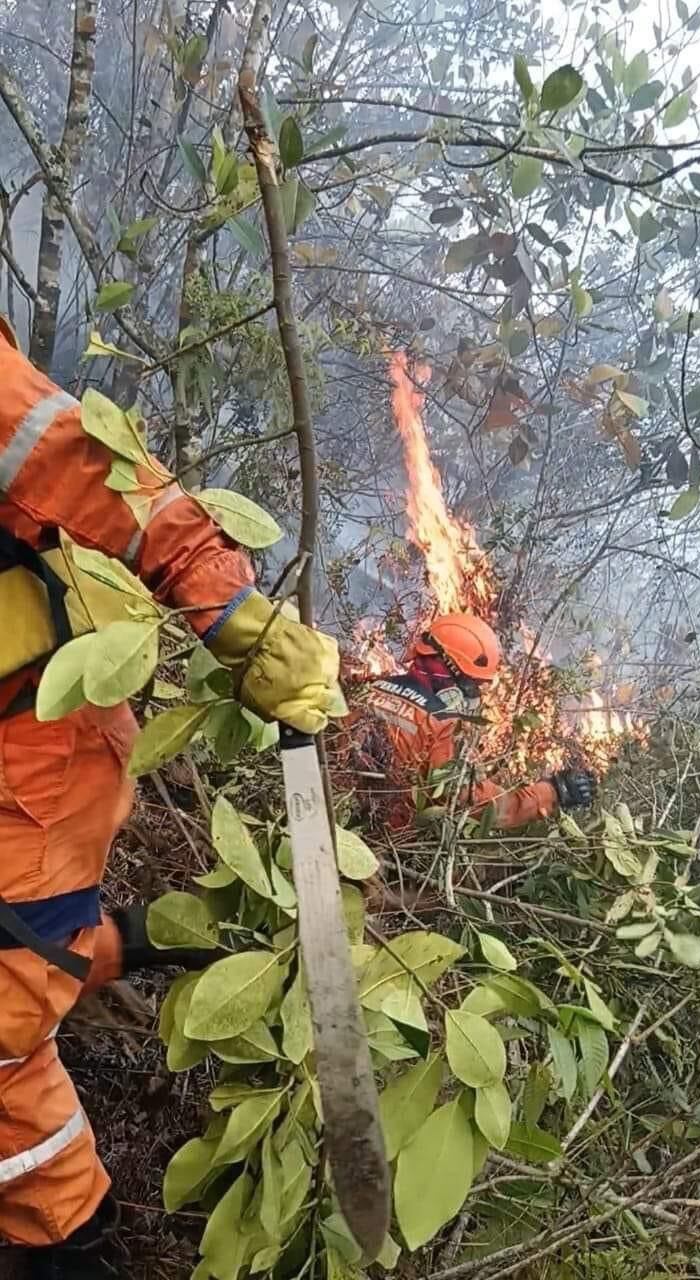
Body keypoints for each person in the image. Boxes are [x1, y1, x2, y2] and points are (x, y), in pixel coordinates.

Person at [0, 316, 340, 1277]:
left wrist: (230, 611)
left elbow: (68, 454)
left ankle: (68, 1240)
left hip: (31, 746)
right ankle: (148, 938)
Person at [343, 612, 595, 830]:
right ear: (448, 668)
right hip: (377, 837)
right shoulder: (437, 722)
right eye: (470, 685)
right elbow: (478, 804)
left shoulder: (370, 688)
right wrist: (551, 792)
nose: (471, 695)